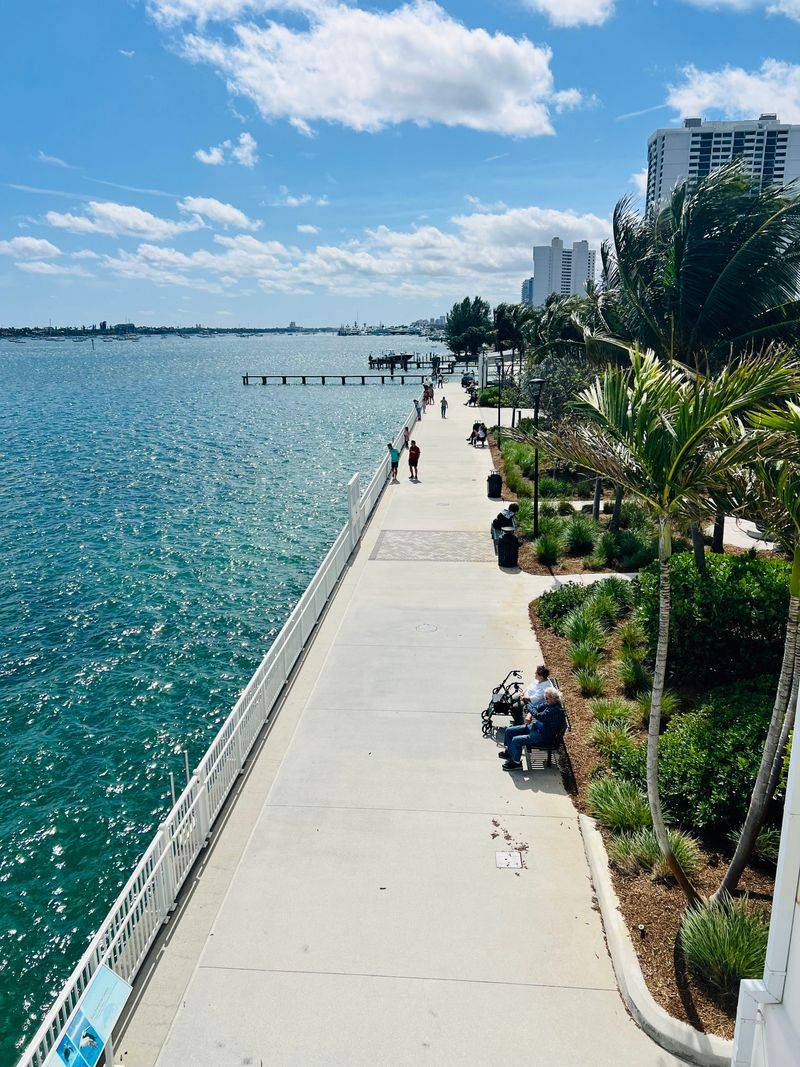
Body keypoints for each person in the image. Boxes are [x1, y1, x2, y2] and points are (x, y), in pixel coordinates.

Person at [498, 688, 566, 769]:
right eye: (545, 698)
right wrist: (530, 708)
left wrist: (527, 704)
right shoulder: (550, 704)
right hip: (535, 728)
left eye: (547, 698)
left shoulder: (555, 711)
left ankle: (516, 763)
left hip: (542, 736)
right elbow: (537, 708)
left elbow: (538, 715)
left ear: (553, 698)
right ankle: (510, 752)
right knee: (509, 731)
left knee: (516, 740)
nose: (545, 700)